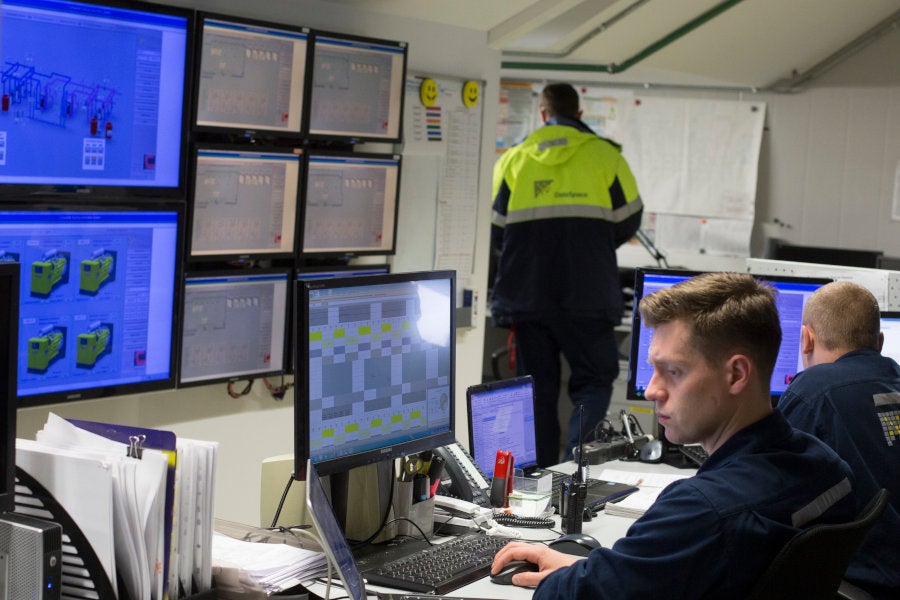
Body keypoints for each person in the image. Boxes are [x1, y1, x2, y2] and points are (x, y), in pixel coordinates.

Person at [491, 272, 858, 598]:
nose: (652, 391)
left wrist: (566, 579)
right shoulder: (829, 467)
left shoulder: (702, 510)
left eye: (674, 371)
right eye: (653, 369)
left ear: (736, 375)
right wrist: (593, 569)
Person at [490, 82, 643, 466]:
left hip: (527, 297)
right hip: (587, 295)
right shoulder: (606, 157)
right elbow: (629, 220)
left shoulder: (514, 159)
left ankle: (537, 480)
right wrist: (589, 248)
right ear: (578, 114)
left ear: (542, 114)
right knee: (593, 382)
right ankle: (576, 473)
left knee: (535, 391)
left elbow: (497, 232)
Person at [778, 281, 900, 599]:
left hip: (864, 579)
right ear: (880, 342)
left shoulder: (813, 390)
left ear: (806, 339)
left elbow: (770, 489)